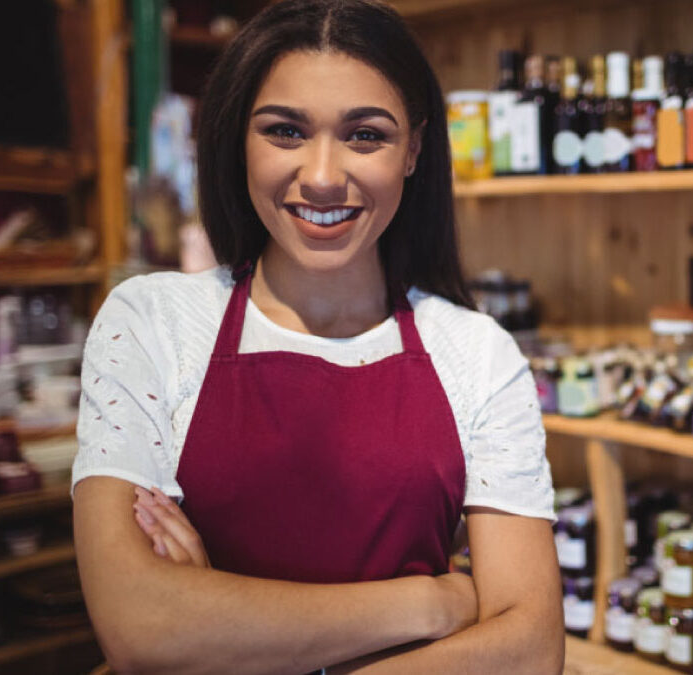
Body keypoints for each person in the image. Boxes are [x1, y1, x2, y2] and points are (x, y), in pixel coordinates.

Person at [71, 0, 563, 672]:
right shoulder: (152, 322)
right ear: (237, 139)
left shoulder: (477, 352)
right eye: (285, 131)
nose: (325, 175)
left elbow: (530, 647)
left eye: (366, 136)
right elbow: (140, 626)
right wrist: (429, 601)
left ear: (414, 149)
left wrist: (221, 628)